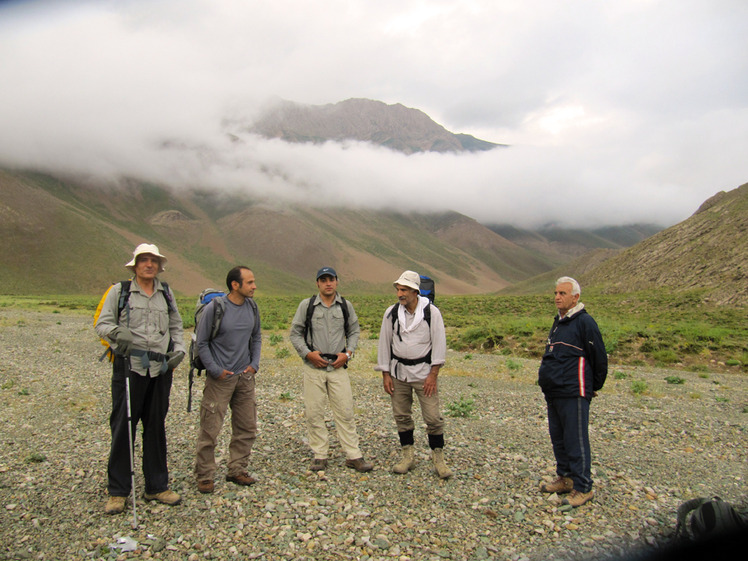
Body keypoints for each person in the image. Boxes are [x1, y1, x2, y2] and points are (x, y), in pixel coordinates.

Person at [95, 243, 186, 515]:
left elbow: (176, 326)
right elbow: (101, 323)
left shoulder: (166, 293)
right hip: (129, 367)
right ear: (134, 265)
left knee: (156, 427)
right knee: (124, 428)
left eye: (153, 260)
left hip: (160, 370)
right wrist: (115, 333)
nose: (149, 264)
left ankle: (156, 486)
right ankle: (118, 492)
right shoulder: (119, 292)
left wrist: (179, 351)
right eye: (143, 260)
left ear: (159, 265)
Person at [289, 267, 373, 473]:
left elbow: (354, 331)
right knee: (314, 412)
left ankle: (353, 455)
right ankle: (320, 455)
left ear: (337, 282)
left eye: (331, 279)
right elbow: (295, 333)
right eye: (323, 280)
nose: (328, 283)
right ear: (317, 283)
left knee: (345, 411)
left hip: (338, 367)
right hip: (313, 367)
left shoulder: (345, 306)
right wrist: (307, 354)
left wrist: (348, 353)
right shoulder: (307, 306)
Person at [537, 277, 607, 507]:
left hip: (573, 391)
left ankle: (583, 487)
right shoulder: (558, 322)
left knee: (575, 439)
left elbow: (599, 358)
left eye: (563, 293)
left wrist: (592, 387)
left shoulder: (585, 322)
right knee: (558, 437)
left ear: (575, 297)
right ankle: (565, 478)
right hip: (554, 390)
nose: (557, 297)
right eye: (556, 292)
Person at [375, 270, 452, 479]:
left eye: (404, 290)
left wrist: (433, 374)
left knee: (433, 417)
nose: (400, 294)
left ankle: (439, 459)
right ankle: (407, 456)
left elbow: (439, 343)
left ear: (415, 291)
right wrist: (385, 373)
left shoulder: (431, 312)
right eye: (398, 289)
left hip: (424, 373)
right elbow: (384, 342)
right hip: (398, 373)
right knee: (401, 415)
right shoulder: (391, 313)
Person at [194, 266, 262, 494]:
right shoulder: (215, 308)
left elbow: (256, 337)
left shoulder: (252, 307)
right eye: (250, 282)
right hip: (220, 379)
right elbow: (201, 343)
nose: (254, 286)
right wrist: (215, 370)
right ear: (235, 285)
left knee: (247, 426)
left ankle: (237, 469)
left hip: (245, 377)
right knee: (210, 428)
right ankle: (204, 475)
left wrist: (254, 365)